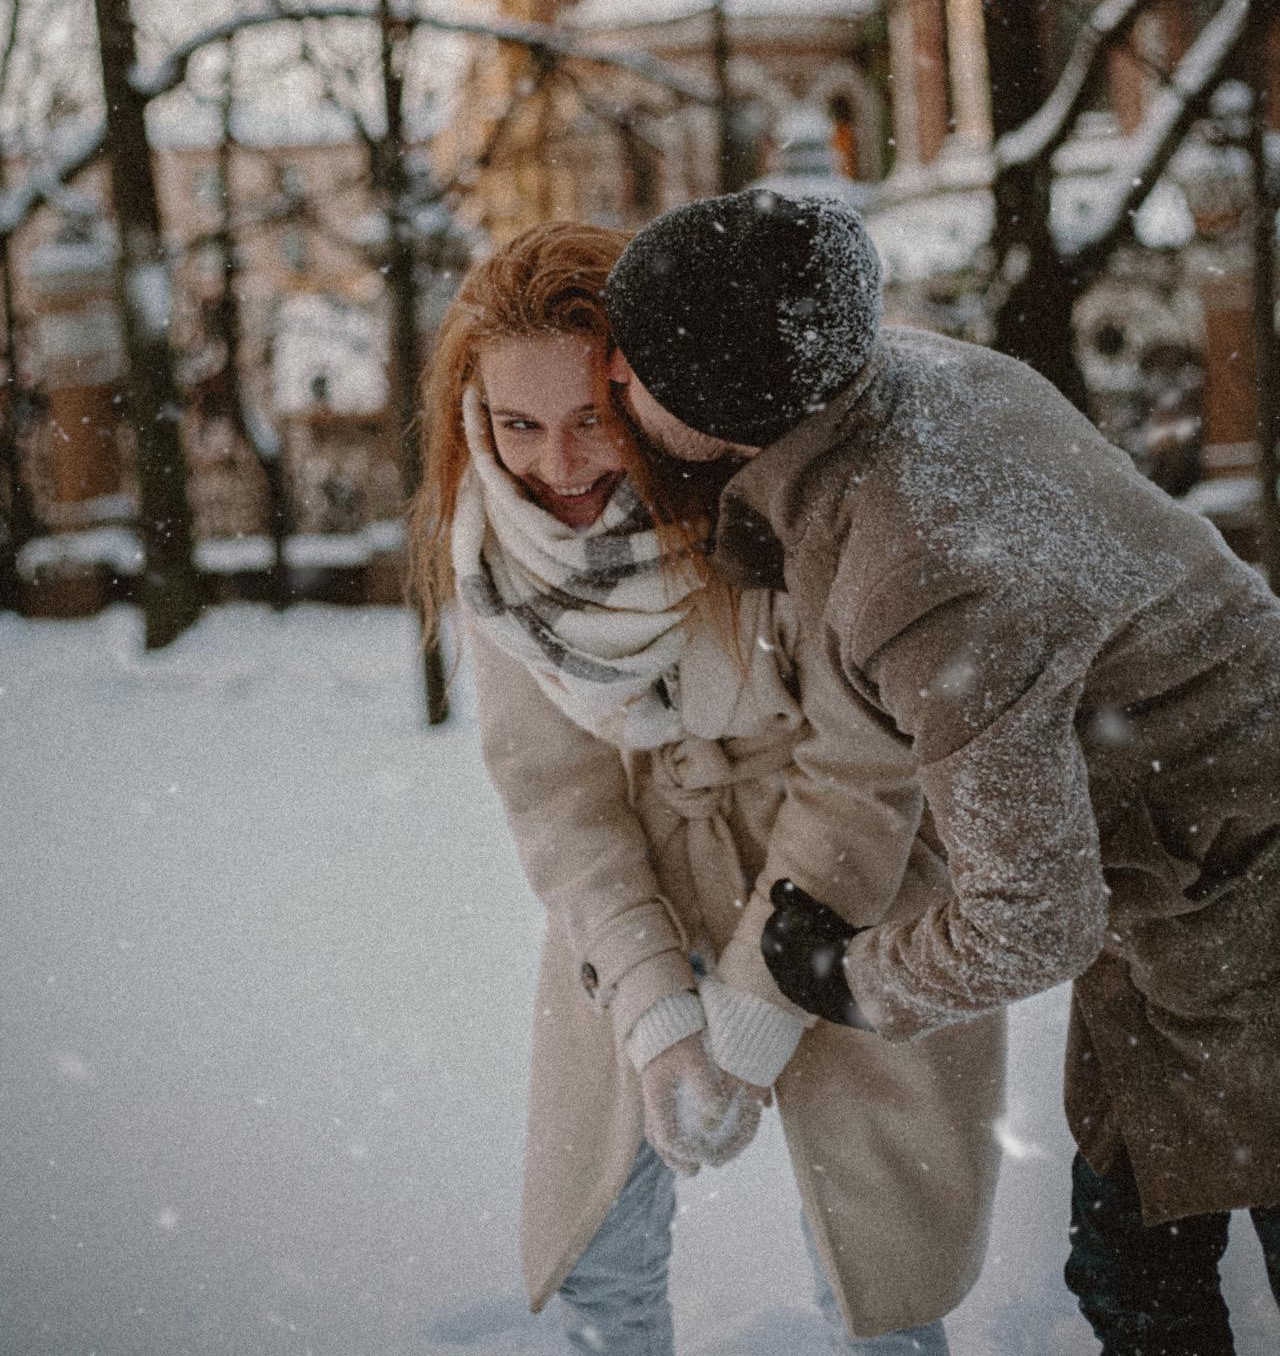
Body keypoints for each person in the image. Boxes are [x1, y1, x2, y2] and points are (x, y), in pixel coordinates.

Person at [602, 189, 1280, 1356]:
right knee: (1132, 1265)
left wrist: (848, 979)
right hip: (1189, 870)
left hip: (1232, 893)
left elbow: (1031, 922)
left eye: (636, 366)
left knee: (1142, 1274)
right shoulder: (916, 379)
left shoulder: (919, 565)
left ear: (719, 407)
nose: (610, 378)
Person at [411, 222, 1005, 1356]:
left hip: (850, 876)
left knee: (883, 1265)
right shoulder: (498, 556)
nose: (559, 467)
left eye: (590, 417)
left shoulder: (782, 493)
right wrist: (654, 1011)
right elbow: (559, 804)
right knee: (599, 1245)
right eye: (516, 424)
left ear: (647, 390)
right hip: (649, 873)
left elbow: (860, 763)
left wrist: (750, 1009)